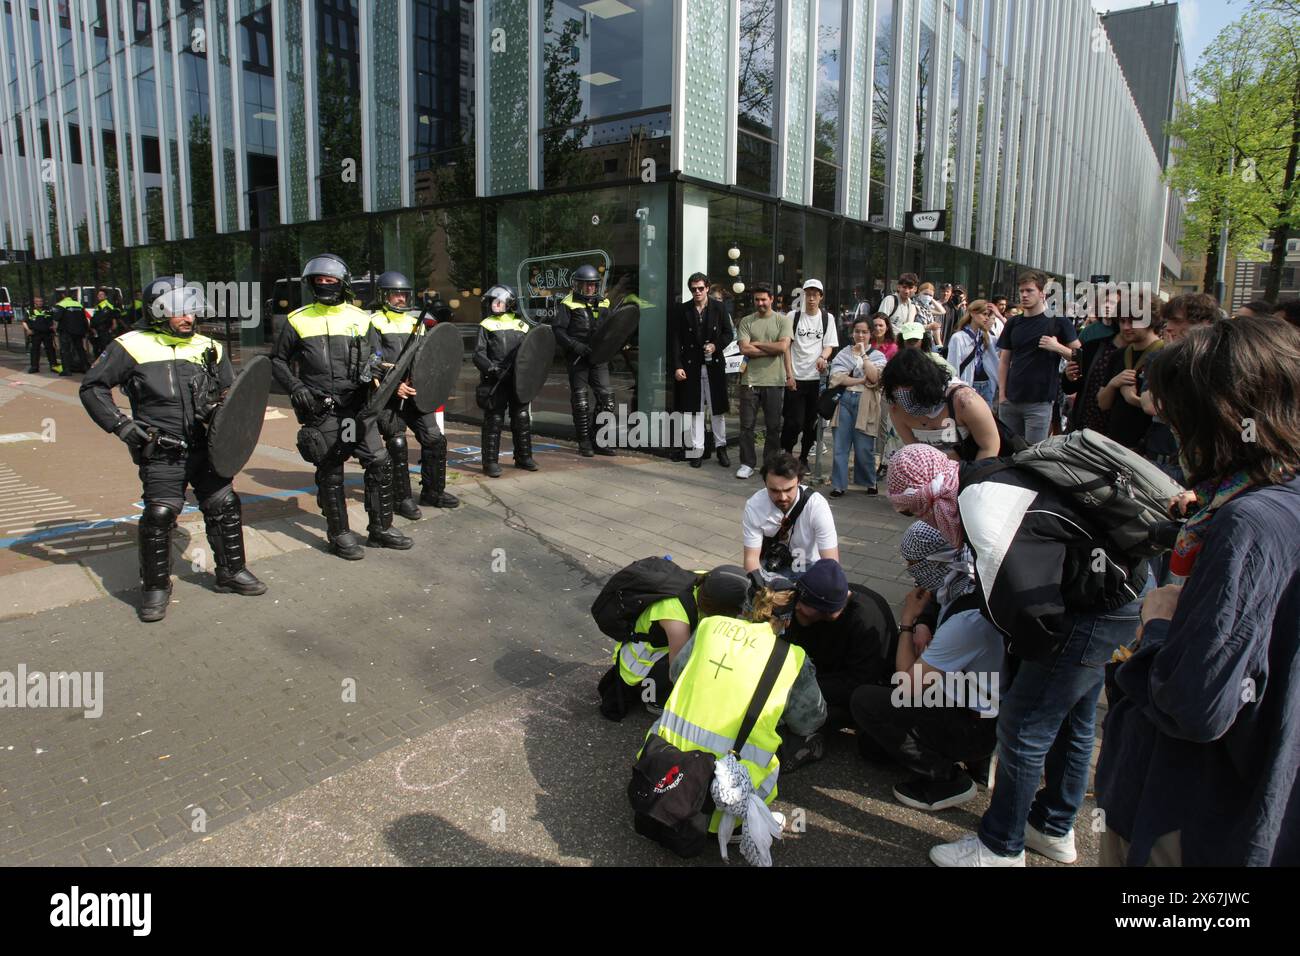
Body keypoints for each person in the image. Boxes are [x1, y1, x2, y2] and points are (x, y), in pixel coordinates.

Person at [1097, 316, 1300, 866]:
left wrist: (1158, 623)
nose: (1169, 426)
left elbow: (1197, 703)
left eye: (1178, 415)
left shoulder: (1248, 523)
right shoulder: (1270, 491)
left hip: (1183, 811)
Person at [886, 444, 1148, 866]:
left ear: (925, 496)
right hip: (1115, 592)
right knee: (1074, 721)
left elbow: (1029, 607)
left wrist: (1023, 662)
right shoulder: (980, 475)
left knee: (1024, 728)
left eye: (913, 510)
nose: (920, 520)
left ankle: (999, 848)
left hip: (1089, 613)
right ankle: (1052, 827)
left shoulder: (979, 510)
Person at [79, 277, 267, 622]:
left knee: (225, 504)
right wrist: (122, 427)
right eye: (179, 311)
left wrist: (225, 420)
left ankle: (231, 571)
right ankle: (155, 586)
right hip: (162, 450)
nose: (188, 318)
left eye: (191, 310)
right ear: (157, 311)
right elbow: (92, 388)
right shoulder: (130, 346)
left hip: (207, 447)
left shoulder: (210, 346)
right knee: (160, 515)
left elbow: (231, 394)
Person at [635, 585, 827, 863]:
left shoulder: (709, 626)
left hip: (660, 769)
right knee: (781, 736)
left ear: (745, 607)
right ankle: (737, 824)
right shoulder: (790, 656)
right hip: (721, 798)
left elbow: (677, 673)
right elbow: (810, 720)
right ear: (786, 620)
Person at [851, 521, 1004, 811]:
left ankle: (947, 779)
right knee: (870, 747)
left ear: (935, 563)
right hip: (970, 700)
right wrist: (924, 622)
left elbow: (905, 686)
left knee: (866, 701)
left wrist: (908, 621)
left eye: (914, 567)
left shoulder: (966, 622)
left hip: (972, 721)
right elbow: (937, 603)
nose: (913, 576)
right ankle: (964, 758)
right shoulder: (966, 582)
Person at [271, 253, 412, 559]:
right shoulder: (297, 319)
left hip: (358, 408)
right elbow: (278, 362)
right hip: (323, 410)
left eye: (330, 280)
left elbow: (376, 356)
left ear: (342, 283)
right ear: (311, 284)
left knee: (378, 461)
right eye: (319, 280)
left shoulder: (361, 319)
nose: (325, 284)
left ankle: (381, 528)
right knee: (331, 471)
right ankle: (339, 534)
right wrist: (296, 387)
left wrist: (374, 368)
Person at [599, 564, 753, 720]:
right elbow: (678, 669)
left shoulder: (703, 580)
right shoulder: (676, 618)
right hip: (642, 667)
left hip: (665, 647)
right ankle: (655, 701)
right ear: (721, 608)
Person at [366, 271, 459, 518]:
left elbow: (428, 358)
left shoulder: (415, 322)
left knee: (435, 439)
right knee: (397, 444)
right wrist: (393, 386)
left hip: (417, 394)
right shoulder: (373, 323)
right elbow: (372, 362)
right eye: (395, 294)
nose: (400, 299)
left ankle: (433, 492)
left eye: (403, 294)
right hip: (390, 397)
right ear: (383, 296)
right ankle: (402, 499)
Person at [785, 558, 898, 731]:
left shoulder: (866, 621)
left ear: (829, 612)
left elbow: (857, 682)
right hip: (824, 672)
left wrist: (798, 686)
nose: (798, 607)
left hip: (858, 689)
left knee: (798, 716)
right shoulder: (812, 601)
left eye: (804, 604)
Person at [996, 270, 1080, 444]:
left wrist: (1057, 347)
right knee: (1007, 452)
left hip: (1039, 402)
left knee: (1033, 455)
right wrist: (1002, 395)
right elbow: (1004, 360)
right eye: (1021, 291)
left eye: (1029, 290)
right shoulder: (1013, 322)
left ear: (1042, 293)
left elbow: (1080, 356)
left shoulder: (1059, 322)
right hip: (1010, 400)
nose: (1024, 295)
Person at [881, 348, 1006, 461]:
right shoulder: (897, 409)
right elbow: (916, 453)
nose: (901, 392)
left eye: (907, 385)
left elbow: (990, 446)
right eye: (896, 387)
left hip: (974, 472)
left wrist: (970, 480)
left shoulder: (965, 402)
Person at [668, 271, 733, 468]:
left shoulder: (719, 308)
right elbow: (675, 339)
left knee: (717, 409)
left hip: (713, 365)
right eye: (693, 289)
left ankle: (721, 447)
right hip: (691, 365)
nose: (697, 292)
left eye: (700, 288)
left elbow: (728, 334)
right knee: (695, 409)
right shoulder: (683, 310)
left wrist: (715, 345)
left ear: (707, 288)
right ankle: (697, 449)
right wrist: (677, 366)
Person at [742, 452, 839, 581]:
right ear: (765, 484)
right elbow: (751, 560)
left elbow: (830, 564)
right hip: (772, 565)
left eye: (788, 490)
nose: (782, 497)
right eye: (774, 490)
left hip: (810, 568)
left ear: (799, 481)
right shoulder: (754, 505)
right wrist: (761, 590)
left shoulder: (817, 505)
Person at [472, 285, 537, 478]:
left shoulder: (522, 326)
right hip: (495, 380)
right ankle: (490, 462)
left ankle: (524, 457)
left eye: (497, 301)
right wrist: (492, 369)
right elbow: (478, 354)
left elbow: (531, 353)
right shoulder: (486, 325)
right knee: (494, 420)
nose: (494, 305)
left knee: (522, 418)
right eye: (492, 301)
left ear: (509, 303)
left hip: (517, 380)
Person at [553, 263, 615, 457]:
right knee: (581, 402)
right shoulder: (567, 303)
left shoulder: (604, 302)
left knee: (607, 400)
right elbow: (558, 330)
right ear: (577, 285)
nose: (589, 288)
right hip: (577, 358)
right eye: (585, 284)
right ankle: (584, 441)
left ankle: (599, 440)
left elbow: (612, 328)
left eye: (593, 284)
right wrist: (574, 345)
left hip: (599, 358)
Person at [734, 284, 792, 479]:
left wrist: (756, 344)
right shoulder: (746, 321)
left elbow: (783, 347)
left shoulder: (782, 320)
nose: (760, 303)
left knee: (773, 426)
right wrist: (771, 348)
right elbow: (744, 349)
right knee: (746, 425)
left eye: (763, 299)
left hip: (774, 380)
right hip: (749, 380)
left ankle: (770, 464)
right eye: (757, 300)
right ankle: (747, 463)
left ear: (771, 299)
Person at [781, 279, 838, 465]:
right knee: (793, 421)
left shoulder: (827, 318)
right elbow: (786, 347)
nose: (811, 298)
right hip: (796, 376)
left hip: (816, 379)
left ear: (821, 297)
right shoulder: (793, 316)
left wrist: (823, 357)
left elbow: (829, 345)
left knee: (811, 423)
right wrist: (788, 374)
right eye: (808, 294)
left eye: (815, 294)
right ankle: (787, 452)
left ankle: (804, 457)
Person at [827, 317, 886, 496]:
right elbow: (837, 378)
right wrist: (861, 380)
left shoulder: (878, 355)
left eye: (864, 332)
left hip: (866, 403)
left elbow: (875, 378)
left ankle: (869, 481)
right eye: (857, 331)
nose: (860, 335)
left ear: (870, 334)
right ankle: (838, 485)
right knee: (840, 446)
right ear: (852, 333)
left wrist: (863, 356)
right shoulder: (843, 353)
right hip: (844, 400)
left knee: (864, 446)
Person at [1096, 309, 1164, 451]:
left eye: (1133, 321)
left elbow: (1162, 409)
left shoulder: (1164, 355)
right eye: (1122, 321)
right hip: (1116, 441)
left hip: (1148, 447)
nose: (1126, 327)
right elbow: (1102, 404)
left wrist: (1132, 398)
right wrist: (1113, 383)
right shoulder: (1118, 355)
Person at [945, 299, 1000, 407]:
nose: (987, 318)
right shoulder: (958, 338)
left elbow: (1008, 341)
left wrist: (999, 315)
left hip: (987, 384)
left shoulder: (986, 336)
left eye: (988, 315)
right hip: (968, 385)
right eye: (984, 314)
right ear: (972, 313)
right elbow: (952, 366)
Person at [53, 291, 91, 375]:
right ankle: (85, 367)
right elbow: (84, 319)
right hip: (79, 331)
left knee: (65, 350)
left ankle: (67, 370)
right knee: (80, 349)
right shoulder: (78, 304)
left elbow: (56, 317)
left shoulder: (61, 304)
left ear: (63, 295)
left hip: (66, 331)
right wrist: (86, 330)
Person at [23, 294, 57, 373]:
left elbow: (54, 320)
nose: (40, 303)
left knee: (50, 350)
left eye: (41, 301)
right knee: (35, 350)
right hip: (35, 333)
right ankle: (34, 367)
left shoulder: (48, 310)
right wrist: (28, 330)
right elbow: (24, 322)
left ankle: (53, 366)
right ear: (34, 302)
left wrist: (54, 326)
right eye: (38, 301)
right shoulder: (30, 311)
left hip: (47, 333)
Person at [90, 289, 121, 358]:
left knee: (104, 348)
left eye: (101, 294)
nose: (99, 296)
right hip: (99, 330)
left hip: (104, 330)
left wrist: (113, 325)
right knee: (100, 348)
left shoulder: (106, 305)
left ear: (106, 296)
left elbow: (112, 316)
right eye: (98, 295)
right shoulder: (99, 305)